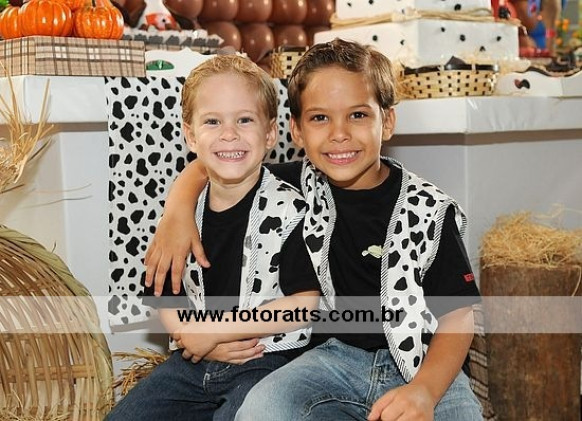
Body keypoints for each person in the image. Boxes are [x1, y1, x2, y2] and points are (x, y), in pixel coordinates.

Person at [145, 39, 482, 420]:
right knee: (260, 410)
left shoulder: (428, 210)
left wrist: (425, 391)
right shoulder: (291, 185)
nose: (339, 134)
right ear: (296, 131)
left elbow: (458, 317)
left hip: (424, 361)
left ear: (387, 121)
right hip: (329, 361)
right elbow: (211, 165)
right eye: (320, 118)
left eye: (358, 115)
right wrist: (177, 211)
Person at [106, 54, 320, 421]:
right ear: (190, 135)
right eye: (212, 121)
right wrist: (193, 338)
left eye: (244, 120)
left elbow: (305, 304)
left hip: (266, 360)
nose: (229, 134)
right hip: (194, 362)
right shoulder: (183, 216)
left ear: (270, 133)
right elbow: (164, 293)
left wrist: (216, 331)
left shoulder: (290, 211)